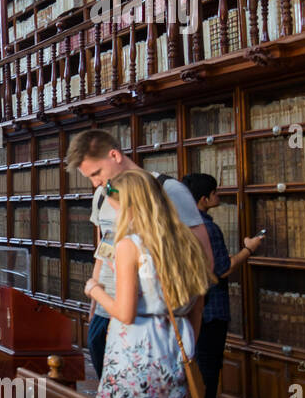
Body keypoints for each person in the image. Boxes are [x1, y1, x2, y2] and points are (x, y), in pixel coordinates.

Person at [66, 128, 213, 379]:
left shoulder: (170, 190)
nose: (95, 183)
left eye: (96, 173)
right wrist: (94, 309)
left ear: (114, 155)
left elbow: (202, 262)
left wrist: (189, 335)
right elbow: (103, 253)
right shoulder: (103, 196)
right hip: (106, 312)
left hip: (156, 323)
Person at [83, 169, 213, 398]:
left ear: (131, 206)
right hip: (177, 347)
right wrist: (185, 347)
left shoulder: (130, 245)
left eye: (117, 209)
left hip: (137, 351)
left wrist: (95, 290)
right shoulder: (185, 241)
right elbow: (198, 307)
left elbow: (125, 313)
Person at [182, 172, 264, 398]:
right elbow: (223, 269)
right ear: (204, 199)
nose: (219, 197)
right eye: (215, 193)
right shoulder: (207, 227)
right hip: (212, 308)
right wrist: (249, 249)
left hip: (188, 306)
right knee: (209, 365)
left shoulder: (181, 225)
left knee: (196, 362)